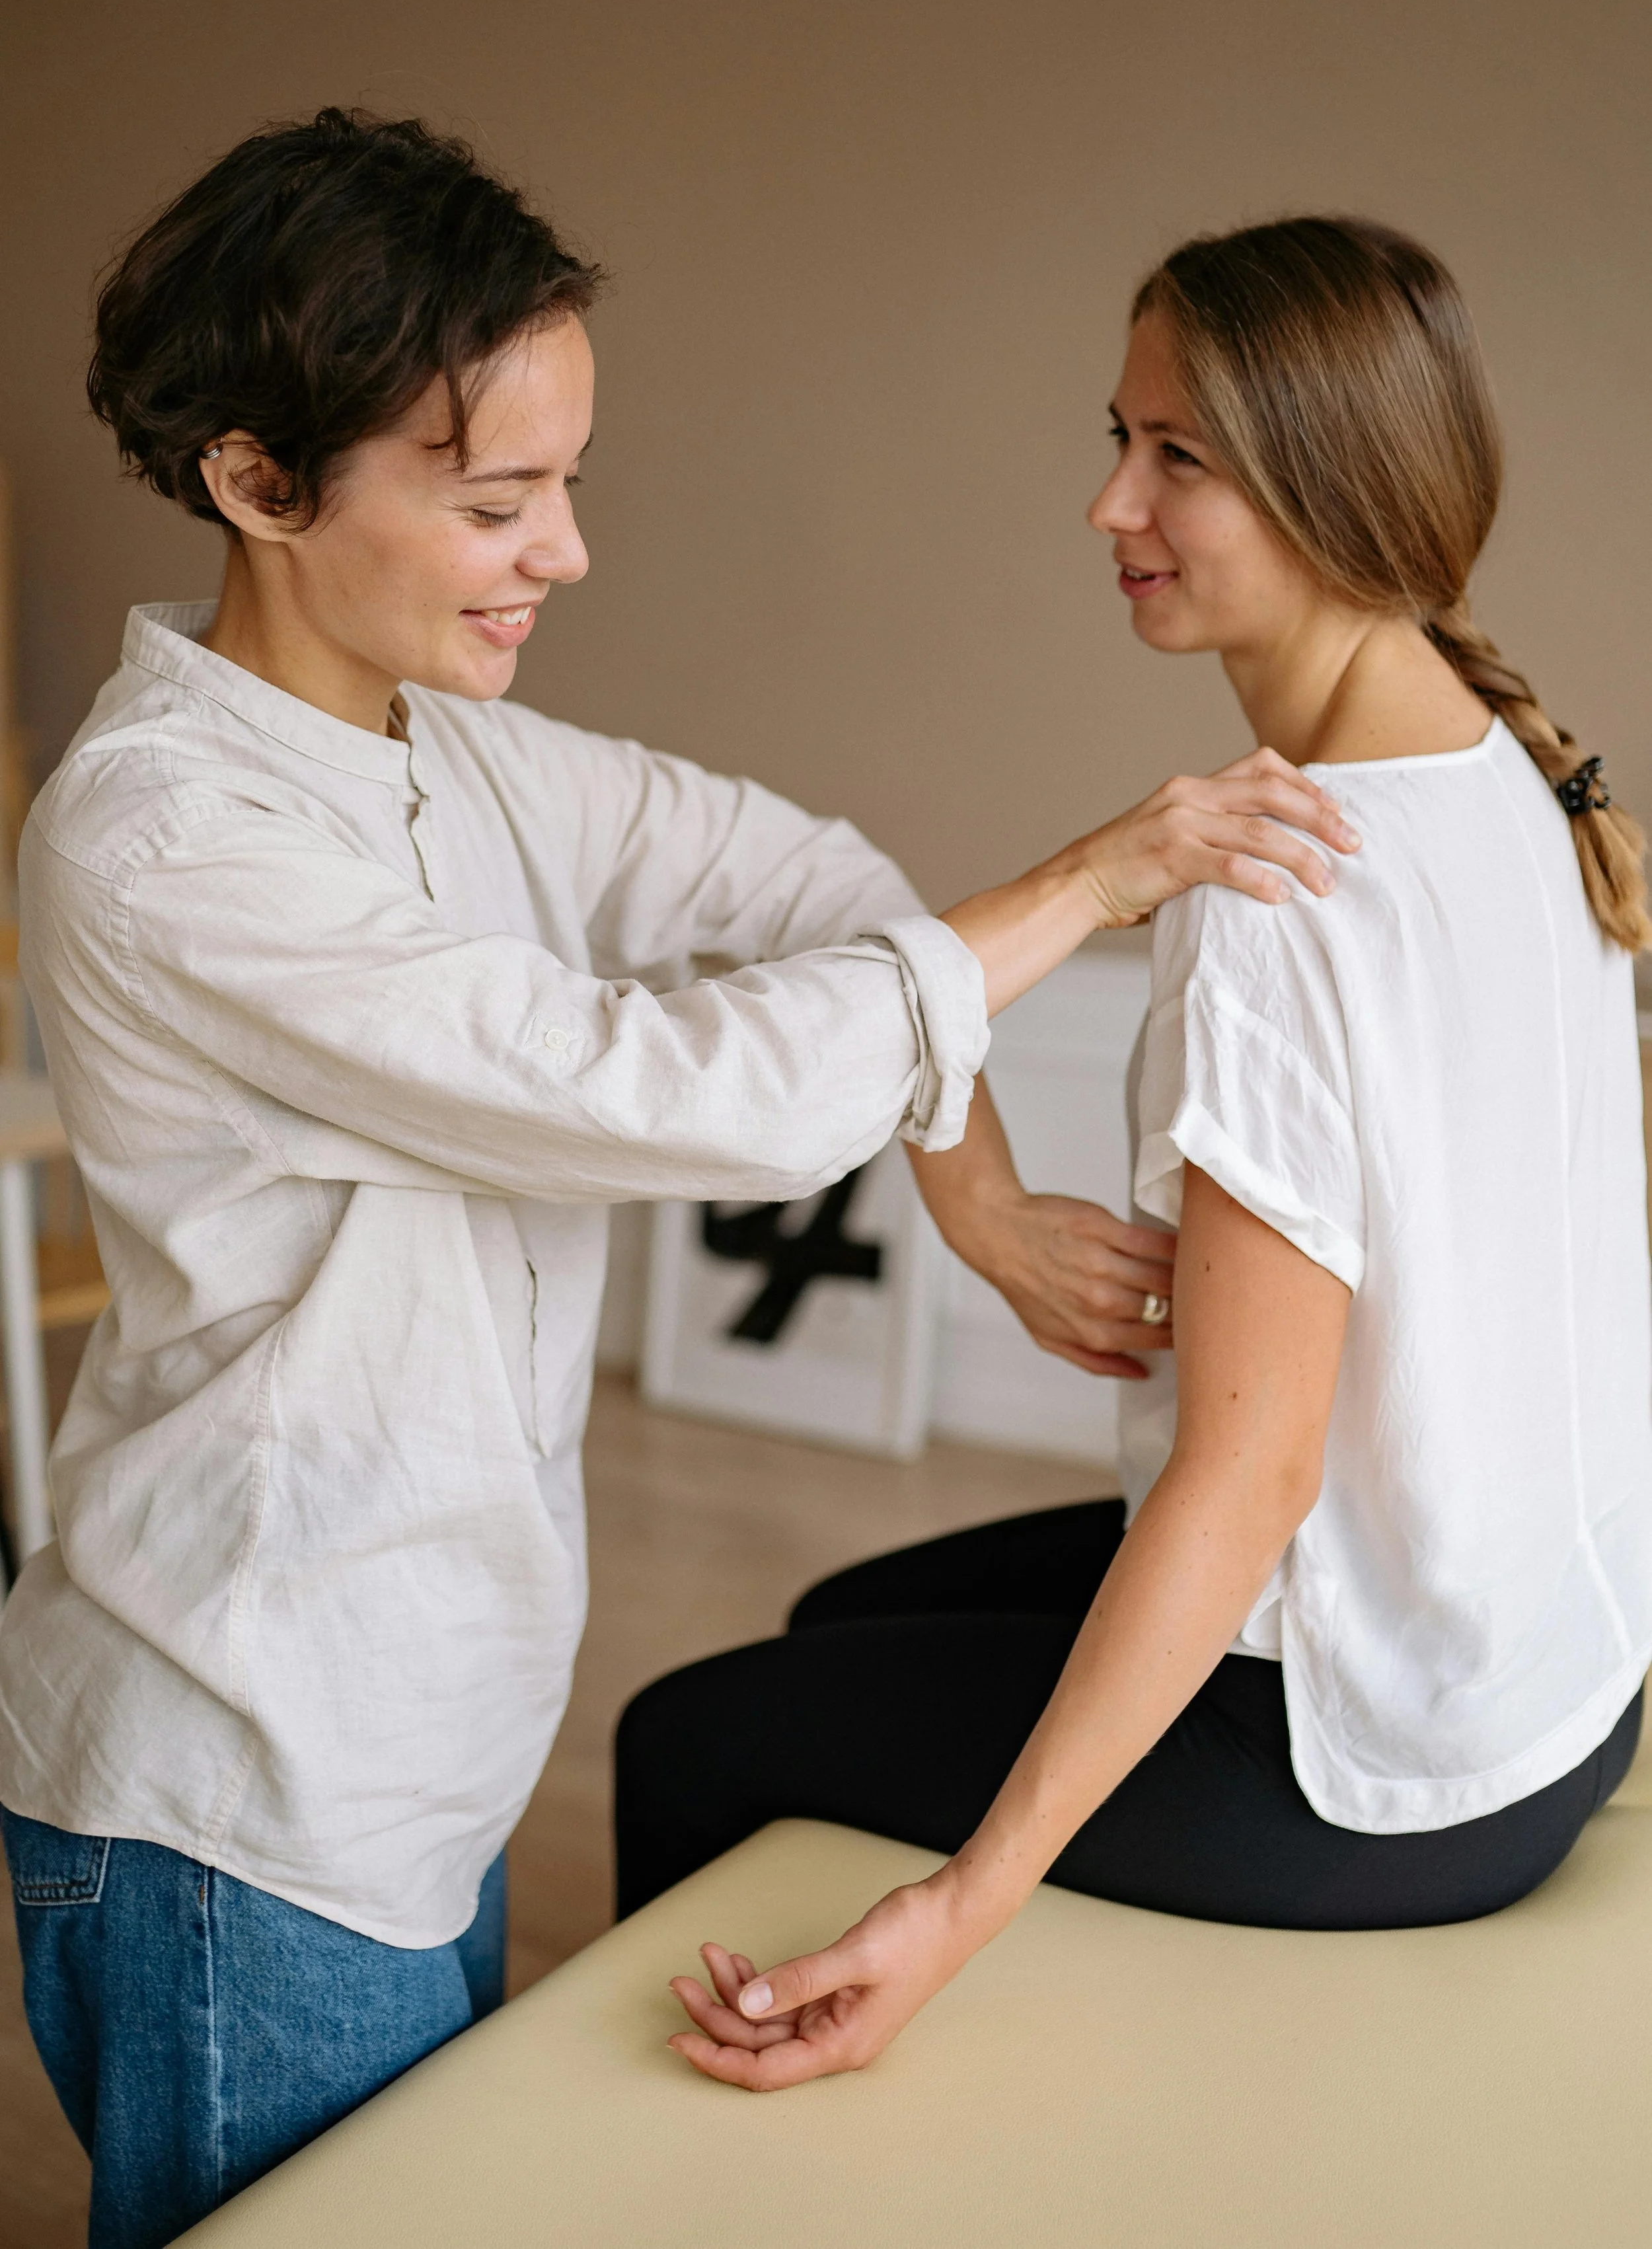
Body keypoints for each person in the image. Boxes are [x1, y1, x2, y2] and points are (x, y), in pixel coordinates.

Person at [0, 112, 1355, 2249]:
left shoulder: (447, 747)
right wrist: (1095, 878)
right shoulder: (170, 839)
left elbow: (814, 886)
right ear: (256, 481)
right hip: (237, 1788)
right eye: (493, 501)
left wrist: (980, 1202)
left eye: (568, 486)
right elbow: (650, 1087)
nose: (562, 552)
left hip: (420, 1738)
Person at [622, 213, 1652, 2094]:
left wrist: (961, 1904)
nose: (1110, 503)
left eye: (1178, 455)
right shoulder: (1506, 770)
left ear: (1331, 480)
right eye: (1120, 437)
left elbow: (1250, 1481)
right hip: (1555, 1685)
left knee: (687, 1741)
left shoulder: (1274, 889)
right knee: (842, 1625)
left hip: (1376, 1768)